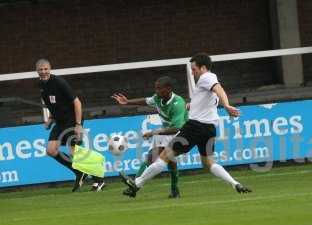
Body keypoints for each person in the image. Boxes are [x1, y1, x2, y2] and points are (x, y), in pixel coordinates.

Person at [120, 53, 251, 198]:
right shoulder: (206, 83)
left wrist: (226, 105)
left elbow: (218, 89)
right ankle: (235, 184)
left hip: (194, 126)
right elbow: (209, 99)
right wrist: (192, 105)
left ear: (203, 67)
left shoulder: (207, 77)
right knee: (208, 163)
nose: (193, 72)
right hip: (209, 129)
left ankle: (137, 184)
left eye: (194, 69)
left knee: (164, 156)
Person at [112, 76, 187, 198]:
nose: (157, 92)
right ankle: (173, 190)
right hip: (165, 132)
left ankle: (135, 186)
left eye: (159, 89)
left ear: (168, 89)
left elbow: (177, 128)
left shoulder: (177, 103)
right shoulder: (158, 98)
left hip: (180, 134)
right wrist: (127, 102)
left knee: (159, 159)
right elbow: (146, 101)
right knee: (159, 159)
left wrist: (154, 132)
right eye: (156, 89)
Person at [36, 58, 105, 192]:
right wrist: (50, 119)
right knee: (51, 150)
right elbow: (52, 104)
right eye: (41, 69)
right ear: (37, 71)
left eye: (45, 69)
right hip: (59, 121)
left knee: (75, 152)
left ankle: (99, 180)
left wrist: (78, 124)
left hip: (72, 120)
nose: (43, 72)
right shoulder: (41, 85)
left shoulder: (59, 82)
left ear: (50, 69)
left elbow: (77, 103)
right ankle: (79, 172)